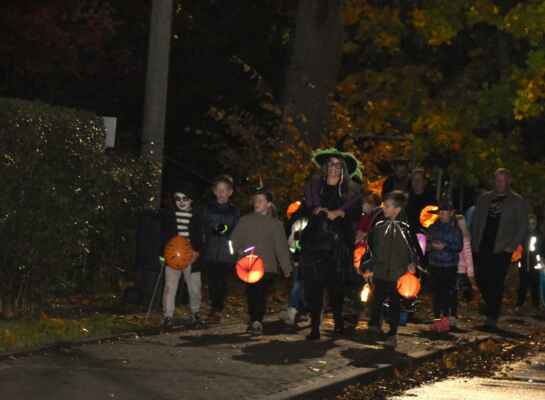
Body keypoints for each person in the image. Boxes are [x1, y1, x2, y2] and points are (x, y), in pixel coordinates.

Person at [301, 148, 361, 340]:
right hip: (316, 241)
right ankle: (315, 327)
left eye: (337, 165)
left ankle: (338, 321)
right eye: (331, 164)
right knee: (314, 286)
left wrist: (340, 213)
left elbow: (355, 213)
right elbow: (305, 208)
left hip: (338, 245)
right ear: (326, 167)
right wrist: (315, 210)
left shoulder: (350, 191)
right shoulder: (315, 187)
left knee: (336, 287)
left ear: (342, 168)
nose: (334, 168)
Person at [362, 190, 423, 349]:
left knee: (395, 304)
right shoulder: (379, 225)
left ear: (397, 209)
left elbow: (414, 248)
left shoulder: (406, 228)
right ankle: (374, 326)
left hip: (398, 273)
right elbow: (371, 246)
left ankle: (392, 333)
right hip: (381, 270)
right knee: (376, 300)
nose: (384, 208)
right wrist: (368, 265)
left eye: (387, 206)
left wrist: (413, 263)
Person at [471, 168, 528, 329]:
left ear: (508, 181)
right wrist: (474, 241)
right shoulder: (485, 198)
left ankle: (492, 317)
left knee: (496, 281)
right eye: (497, 180)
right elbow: (476, 221)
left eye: (502, 180)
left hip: (502, 248)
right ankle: (490, 305)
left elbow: (522, 226)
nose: (499, 183)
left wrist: (511, 246)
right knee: (481, 277)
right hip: (482, 246)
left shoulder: (517, 201)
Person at [230, 189, 293, 335]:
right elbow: (233, 241)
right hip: (248, 265)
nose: (256, 203)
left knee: (259, 292)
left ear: (268, 204)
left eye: (260, 200)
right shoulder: (245, 221)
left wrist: (286, 268)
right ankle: (255, 319)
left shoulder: (276, 224)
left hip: (267, 267)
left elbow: (281, 248)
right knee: (253, 292)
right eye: (255, 200)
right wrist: (238, 250)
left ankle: (256, 320)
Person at [161, 187, 203, 329]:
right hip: (173, 257)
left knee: (194, 287)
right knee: (170, 287)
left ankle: (195, 313)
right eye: (177, 199)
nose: (181, 202)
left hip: (191, 257)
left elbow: (201, 236)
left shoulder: (197, 216)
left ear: (191, 200)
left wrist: (197, 251)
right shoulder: (169, 215)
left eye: (185, 198)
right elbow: (163, 236)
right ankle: (168, 315)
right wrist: (163, 254)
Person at [200, 175, 240, 324]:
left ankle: (218, 309)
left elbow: (235, 229)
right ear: (214, 191)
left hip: (226, 252)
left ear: (230, 192)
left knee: (222, 282)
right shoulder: (208, 208)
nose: (221, 193)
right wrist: (215, 229)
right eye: (219, 190)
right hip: (210, 250)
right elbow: (205, 226)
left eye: (225, 190)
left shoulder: (234, 210)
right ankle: (213, 307)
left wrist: (223, 230)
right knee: (212, 281)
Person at [427, 200, 463, 332]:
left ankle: (448, 318)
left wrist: (445, 246)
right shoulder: (433, 228)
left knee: (448, 292)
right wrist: (431, 246)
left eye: (444, 212)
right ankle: (437, 318)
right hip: (435, 263)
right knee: (436, 292)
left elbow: (459, 246)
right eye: (440, 213)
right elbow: (427, 243)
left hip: (449, 265)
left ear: (451, 213)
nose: (442, 215)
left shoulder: (455, 230)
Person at [516, 214, 543, 312]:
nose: (531, 225)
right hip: (523, 265)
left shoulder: (539, 235)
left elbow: (542, 249)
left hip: (535, 265)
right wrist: (518, 260)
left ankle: (536, 305)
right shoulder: (523, 235)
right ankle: (519, 304)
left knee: (535, 286)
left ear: (536, 224)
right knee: (522, 286)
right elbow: (518, 250)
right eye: (529, 223)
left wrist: (541, 260)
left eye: (533, 223)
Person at [456, 215, 478, 308]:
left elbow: (468, 256)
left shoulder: (464, 239)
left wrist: (470, 273)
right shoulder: (465, 238)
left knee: (459, 288)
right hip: (457, 268)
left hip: (459, 268)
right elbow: (468, 257)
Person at [406, 168, 435, 233]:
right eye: (414, 180)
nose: (416, 182)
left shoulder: (430, 200)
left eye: (419, 180)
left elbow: (430, 222)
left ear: (425, 182)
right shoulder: (406, 198)